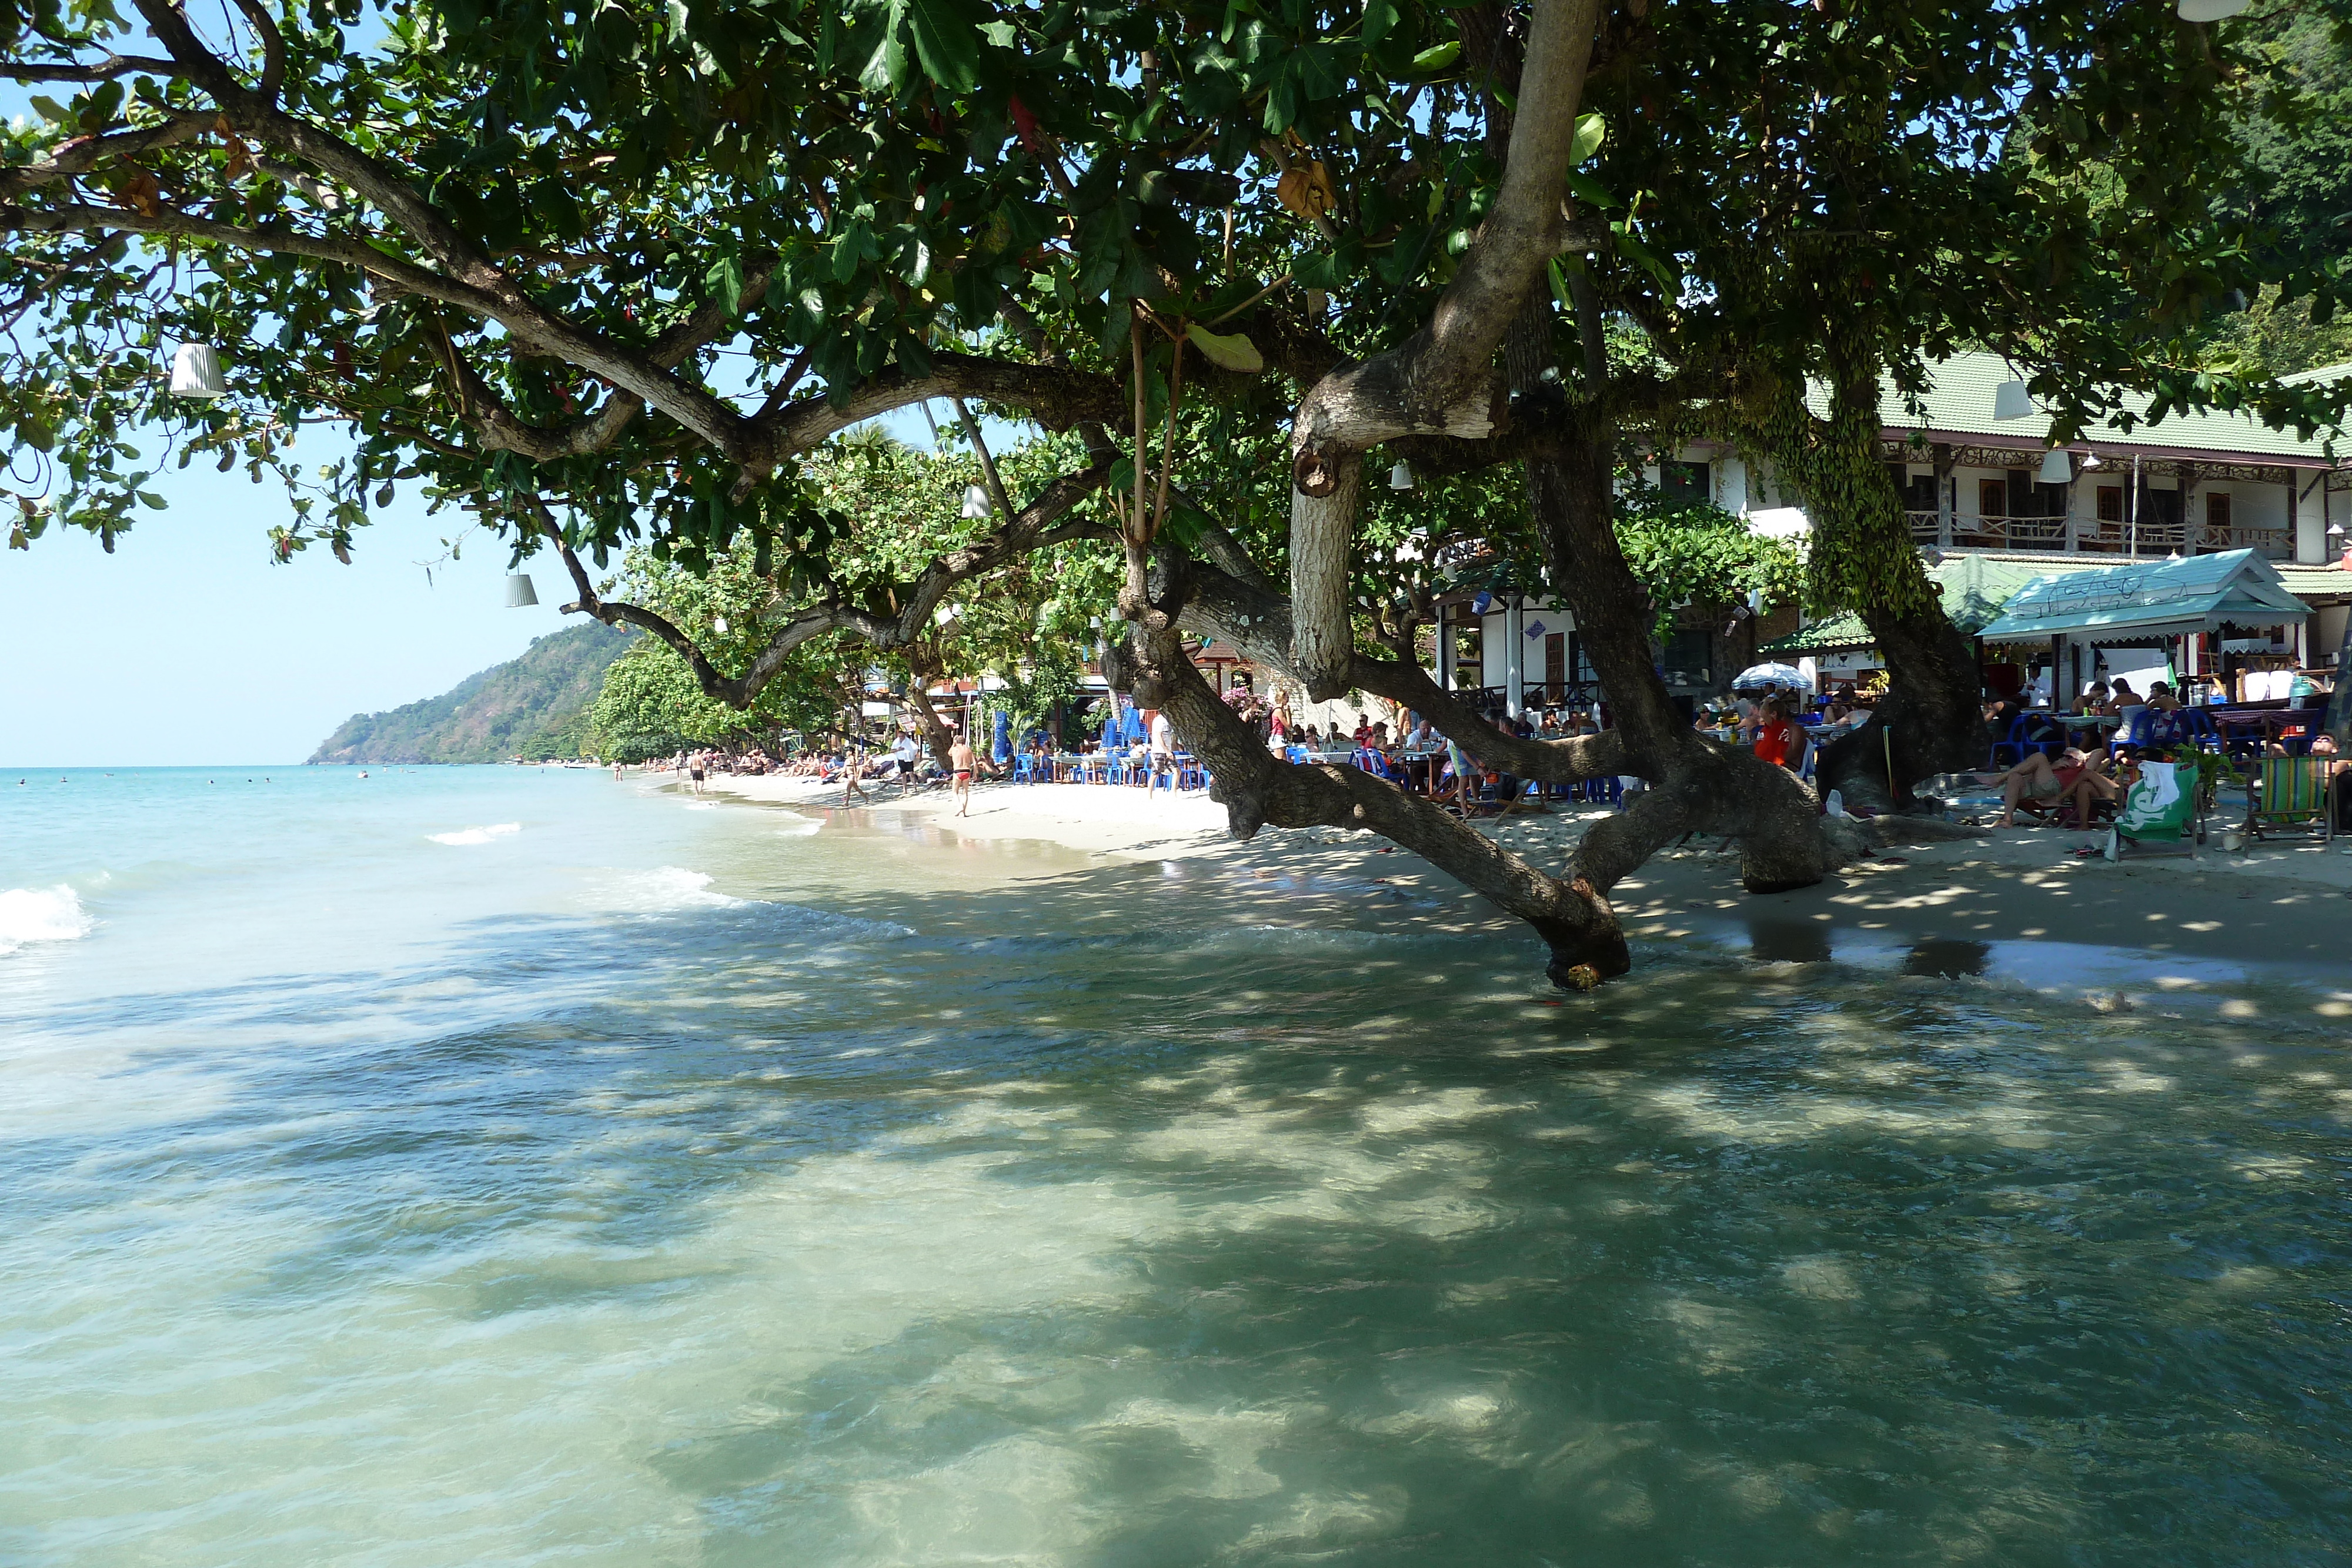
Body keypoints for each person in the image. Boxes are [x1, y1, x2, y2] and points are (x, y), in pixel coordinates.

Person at [1993, 747, 2117, 828]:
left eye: (2069, 757)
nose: (2064, 758)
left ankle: (1999, 778)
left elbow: (2099, 752)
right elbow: (2029, 775)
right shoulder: (2055, 766)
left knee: (2040, 757)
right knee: (2015, 776)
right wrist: (2053, 767)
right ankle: (2008, 820)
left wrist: (2082, 757)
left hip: (2051, 789)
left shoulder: (2082, 770)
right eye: (2063, 756)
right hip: (2032, 787)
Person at [1752, 698, 1800, 770]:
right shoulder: (1766, 728)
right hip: (1762, 766)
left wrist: (1766, 701)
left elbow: (1763, 714)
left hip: (1773, 767)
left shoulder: (1777, 726)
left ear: (1774, 714)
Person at [948, 731, 977, 815]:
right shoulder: (968, 750)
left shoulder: (954, 749)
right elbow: (975, 763)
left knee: (955, 792)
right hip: (967, 771)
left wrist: (954, 743)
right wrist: (975, 774)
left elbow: (949, 754)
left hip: (958, 771)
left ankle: (960, 806)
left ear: (956, 742)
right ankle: (963, 813)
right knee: (965, 792)